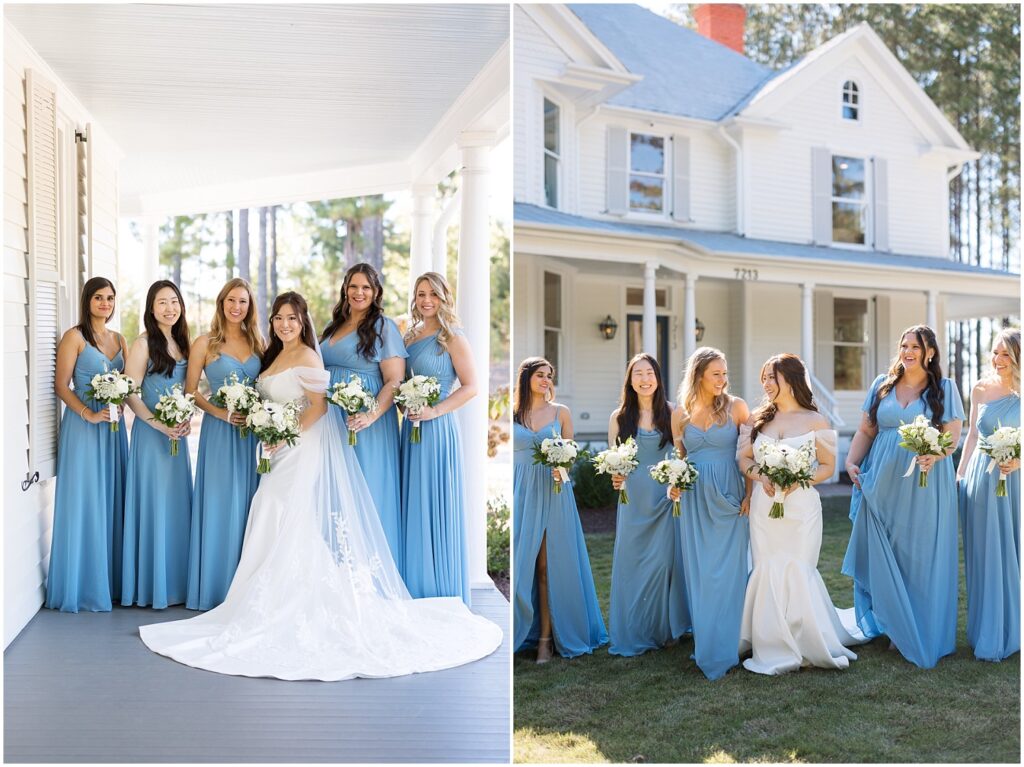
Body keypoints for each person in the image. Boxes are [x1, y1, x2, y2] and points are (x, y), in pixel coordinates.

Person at [140, 292, 502, 681]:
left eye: (291, 319)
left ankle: (288, 600)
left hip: (298, 447)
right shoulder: (273, 355)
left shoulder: (310, 357)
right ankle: (267, 597)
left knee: (279, 509)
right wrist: (270, 430)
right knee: (272, 510)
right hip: (277, 448)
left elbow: (318, 407)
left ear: (303, 322)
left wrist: (284, 435)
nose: (284, 325)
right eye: (279, 318)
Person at [842, 326, 963, 668]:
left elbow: (952, 437)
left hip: (925, 481)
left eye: (916, 346)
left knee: (919, 552)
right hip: (881, 479)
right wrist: (850, 462)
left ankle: (916, 624)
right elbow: (866, 430)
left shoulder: (945, 388)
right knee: (888, 548)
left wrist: (935, 455)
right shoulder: (882, 385)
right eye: (904, 345)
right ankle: (892, 621)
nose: (908, 351)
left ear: (930, 352)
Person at [738, 353, 865, 675]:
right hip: (765, 507)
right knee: (767, 567)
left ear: (791, 379)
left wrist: (798, 480)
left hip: (801, 508)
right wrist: (762, 476)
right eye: (764, 378)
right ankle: (770, 641)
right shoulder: (756, 419)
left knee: (798, 567)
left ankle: (806, 639)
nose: (766, 384)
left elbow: (827, 466)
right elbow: (744, 460)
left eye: (772, 377)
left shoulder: (815, 420)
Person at [512, 357, 607, 663]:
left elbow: (570, 454)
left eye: (549, 376)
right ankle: (521, 630)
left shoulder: (560, 412)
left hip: (554, 491)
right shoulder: (513, 413)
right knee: (522, 565)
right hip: (523, 492)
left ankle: (546, 639)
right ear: (526, 378)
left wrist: (562, 466)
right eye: (540, 375)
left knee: (547, 566)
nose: (546, 380)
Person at [46, 277, 128, 612]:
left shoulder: (120, 339)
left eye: (110, 298)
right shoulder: (74, 337)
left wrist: (121, 404)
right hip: (83, 427)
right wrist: (88, 414)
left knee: (111, 498)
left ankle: (111, 583)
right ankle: (80, 586)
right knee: (85, 500)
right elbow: (61, 386)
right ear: (87, 301)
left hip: (113, 429)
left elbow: (128, 383)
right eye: (98, 297)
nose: (105, 303)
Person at [957, 328, 1020, 662]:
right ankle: (988, 627)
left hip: (1015, 480)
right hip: (981, 477)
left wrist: (1019, 460)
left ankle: (1014, 626)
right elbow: (970, 435)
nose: (997, 359)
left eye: (1005, 353)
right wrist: (960, 473)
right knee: (984, 553)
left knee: (1013, 549)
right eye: (995, 352)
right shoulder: (980, 388)